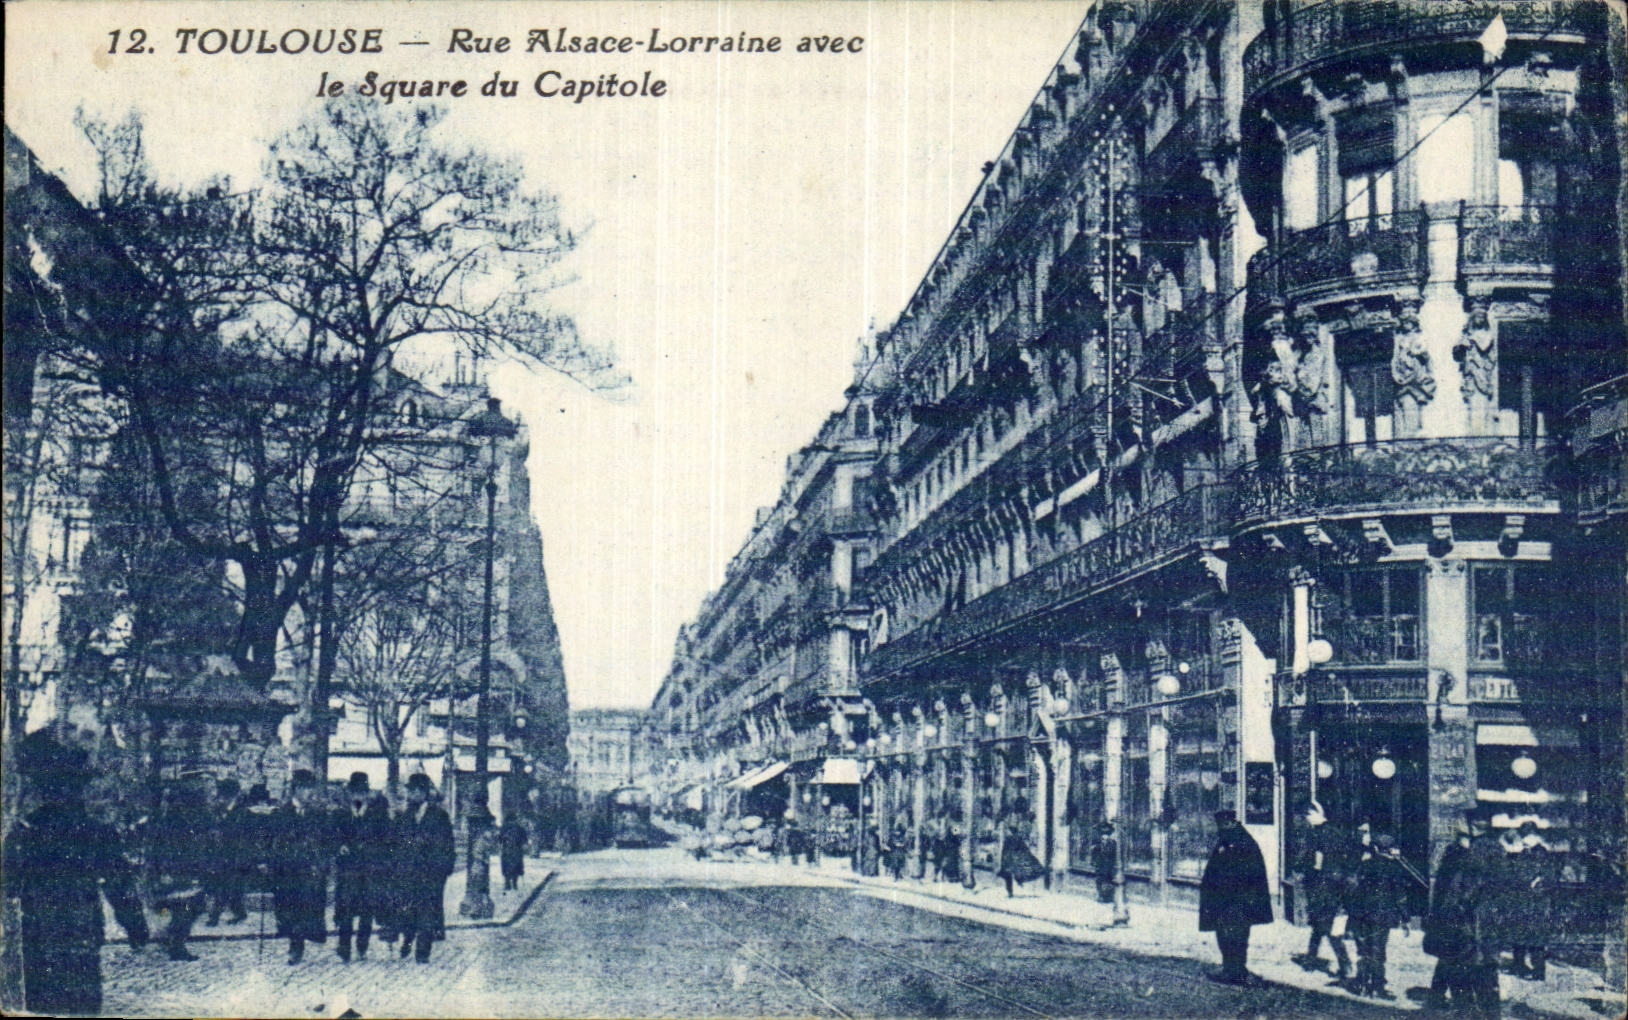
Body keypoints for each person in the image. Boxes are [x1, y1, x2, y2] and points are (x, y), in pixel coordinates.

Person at [3, 735, 149, 1015]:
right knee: (81, 1005)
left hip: (36, 935)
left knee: (40, 1004)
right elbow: (120, 884)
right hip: (80, 933)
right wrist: (136, 926)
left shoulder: (23, 833)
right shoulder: (95, 831)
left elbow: (8, 887)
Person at [1198, 809, 1273, 986]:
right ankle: (1230, 968)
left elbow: (1245, 874)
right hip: (1226, 900)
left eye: (1223, 824)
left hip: (1237, 901)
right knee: (1225, 933)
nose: (1220, 828)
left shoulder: (1242, 842)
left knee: (1235, 935)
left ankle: (1236, 970)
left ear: (1232, 823)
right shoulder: (1229, 839)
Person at [269, 768, 334, 965]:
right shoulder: (281, 813)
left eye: (311, 789)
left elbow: (327, 840)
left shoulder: (317, 814)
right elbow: (273, 842)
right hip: (288, 870)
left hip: (310, 871)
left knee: (307, 908)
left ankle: (299, 944)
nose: (309, 793)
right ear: (296, 789)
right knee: (289, 908)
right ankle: (294, 945)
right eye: (305, 789)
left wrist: (323, 862)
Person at [395, 772, 455, 963]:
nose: (409, 795)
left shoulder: (439, 816)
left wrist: (443, 870)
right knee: (409, 911)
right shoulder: (405, 816)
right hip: (409, 874)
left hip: (431, 873)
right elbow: (397, 843)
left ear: (422, 792)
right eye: (408, 791)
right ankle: (408, 940)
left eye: (412, 791)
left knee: (428, 912)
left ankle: (423, 952)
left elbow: (447, 845)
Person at [333, 772, 391, 962]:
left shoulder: (378, 814)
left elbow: (386, 839)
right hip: (348, 869)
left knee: (367, 910)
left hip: (369, 869)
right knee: (346, 908)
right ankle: (344, 947)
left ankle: (362, 945)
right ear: (349, 793)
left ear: (367, 794)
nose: (358, 796)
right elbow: (331, 836)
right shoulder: (340, 814)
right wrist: (338, 845)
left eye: (362, 792)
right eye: (354, 792)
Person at [147, 781, 208, 961]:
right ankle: (176, 945)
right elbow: (165, 846)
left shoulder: (175, 817)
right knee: (185, 909)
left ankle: (173, 939)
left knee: (186, 908)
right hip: (176, 871)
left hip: (181, 870)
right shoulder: (174, 819)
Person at [1346, 831, 1411, 999]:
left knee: (1365, 948)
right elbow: (1400, 896)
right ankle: (1376, 986)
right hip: (1383, 916)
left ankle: (1362, 983)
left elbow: (1353, 888)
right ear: (1391, 849)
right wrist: (1405, 918)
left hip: (1363, 914)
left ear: (1375, 848)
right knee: (1378, 950)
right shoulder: (1395, 868)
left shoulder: (1365, 865)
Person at [1423, 813, 1477, 1011]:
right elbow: (1459, 892)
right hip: (1456, 917)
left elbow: (1440, 891)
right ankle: (1460, 1001)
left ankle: (1437, 997)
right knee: (1458, 958)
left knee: (1447, 959)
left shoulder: (1449, 859)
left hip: (1444, 915)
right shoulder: (1463, 860)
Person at [1293, 808, 1353, 979]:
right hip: (1337, 882)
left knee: (1325, 925)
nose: (1307, 819)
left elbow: (1316, 861)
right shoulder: (1336, 832)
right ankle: (1311, 960)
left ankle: (1345, 964)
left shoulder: (1316, 834)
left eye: (1308, 816)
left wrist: (1305, 871)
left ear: (1316, 816)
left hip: (1322, 885)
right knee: (1319, 926)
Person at [1510, 822, 1553, 981]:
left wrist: (1535, 884)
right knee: (1520, 935)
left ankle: (1538, 970)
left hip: (1536, 903)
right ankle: (1519, 966)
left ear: (1534, 836)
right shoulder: (1525, 852)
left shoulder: (1541, 853)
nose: (1522, 840)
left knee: (1536, 938)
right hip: (1522, 901)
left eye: (1525, 836)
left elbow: (1547, 878)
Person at [203, 778, 249, 927]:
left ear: (229, 795)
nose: (219, 797)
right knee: (224, 886)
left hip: (236, 856)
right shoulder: (220, 810)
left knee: (227, 887)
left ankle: (216, 916)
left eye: (221, 794)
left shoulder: (242, 812)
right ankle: (239, 913)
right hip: (222, 855)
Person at [996, 798, 1047, 897]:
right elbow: (1022, 831)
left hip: (1011, 843)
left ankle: (1011, 889)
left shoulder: (1015, 816)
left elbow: (1012, 828)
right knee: (1017, 864)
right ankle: (1015, 884)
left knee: (1008, 867)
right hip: (1015, 843)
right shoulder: (1020, 817)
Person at [1093, 821, 1128, 924]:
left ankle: (1110, 914)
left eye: (1107, 834)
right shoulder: (1097, 846)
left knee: (1109, 892)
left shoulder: (1114, 844)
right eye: (1103, 834)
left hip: (1111, 872)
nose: (1105, 836)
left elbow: (1117, 858)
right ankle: (1103, 915)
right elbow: (1094, 858)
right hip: (1101, 872)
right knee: (1101, 890)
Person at [499, 817, 528, 892]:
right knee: (516, 866)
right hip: (517, 851)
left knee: (506, 866)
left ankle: (507, 883)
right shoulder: (520, 828)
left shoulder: (504, 828)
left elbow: (499, 840)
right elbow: (525, 840)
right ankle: (514, 884)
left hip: (506, 850)